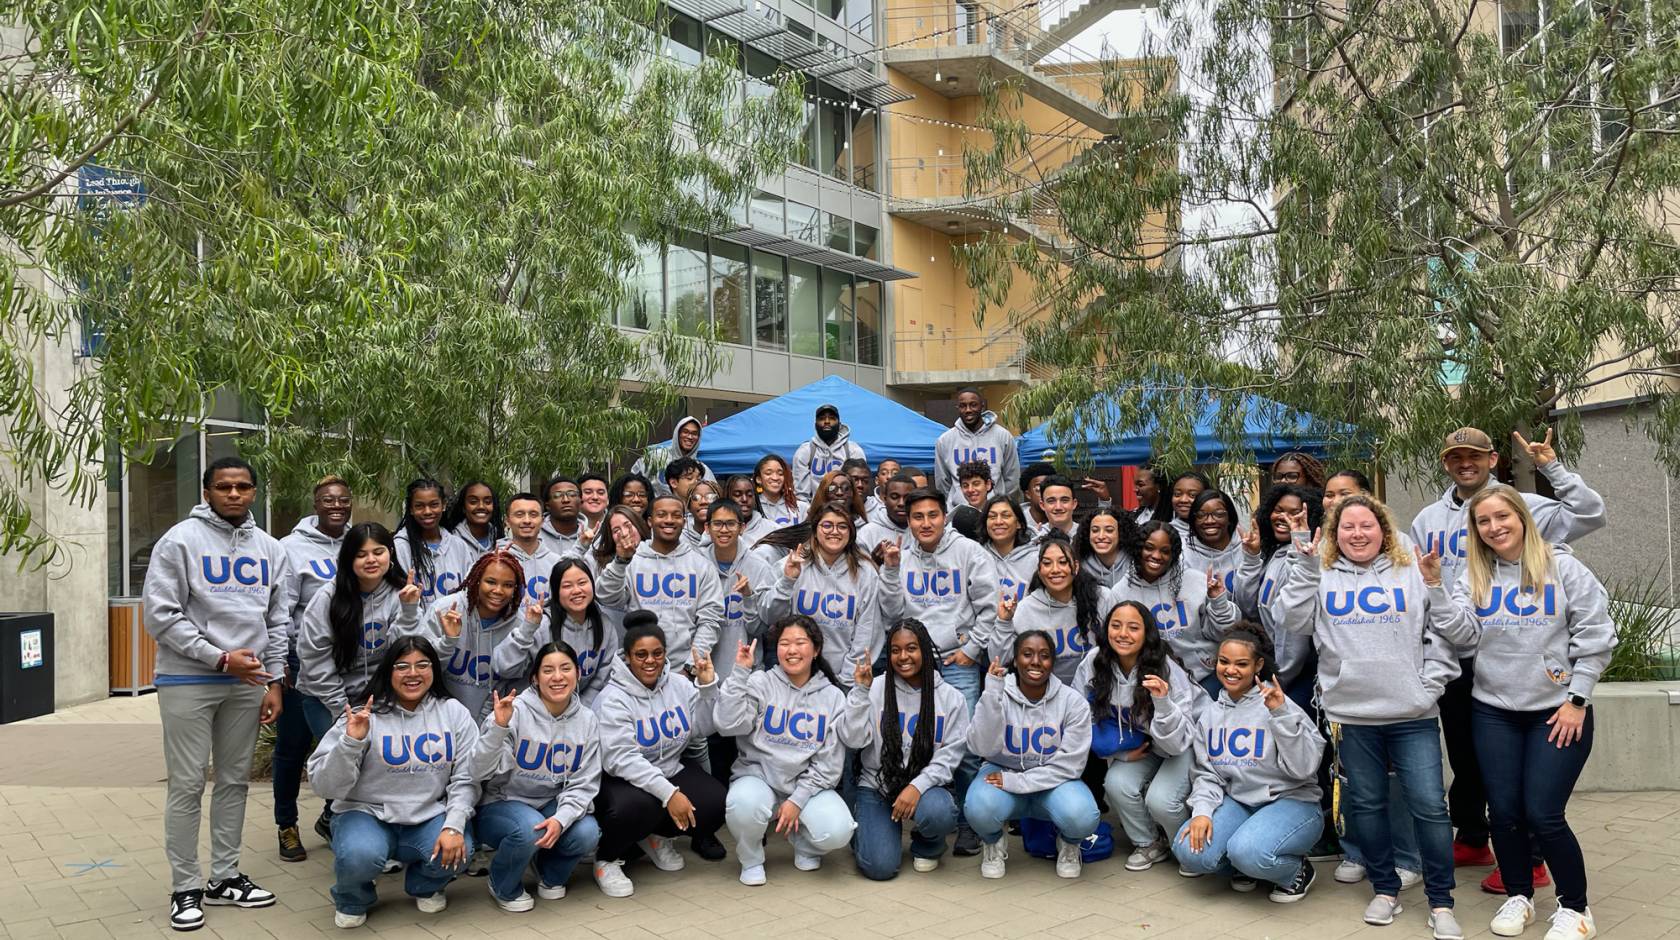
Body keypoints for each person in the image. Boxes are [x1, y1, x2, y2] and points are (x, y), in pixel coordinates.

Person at [1409, 427, 1606, 891]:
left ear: (1492, 459)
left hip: (1530, 656)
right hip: (1464, 653)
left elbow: (1590, 514)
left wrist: (1550, 468)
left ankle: (1532, 860)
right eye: (1456, 457)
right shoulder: (1427, 518)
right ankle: (1477, 838)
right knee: (1470, 759)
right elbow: (1425, 588)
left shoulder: (1527, 506)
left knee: (1529, 787)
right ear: (1446, 463)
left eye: (1474, 456)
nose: (1466, 464)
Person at [1272, 493, 1466, 938]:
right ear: (1335, 535)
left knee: (1430, 807)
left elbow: (1440, 634)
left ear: (1384, 530)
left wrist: (1429, 685)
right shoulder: (1319, 572)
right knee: (1368, 806)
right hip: (1354, 715)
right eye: (1347, 527)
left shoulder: (1411, 570)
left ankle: (1441, 901)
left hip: (1412, 713)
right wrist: (1305, 566)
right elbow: (1292, 619)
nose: (1358, 534)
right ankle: (1385, 888)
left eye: (1367, 526)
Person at [1446, 486, 1616, 940]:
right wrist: (1433, 592)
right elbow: (1462, 637)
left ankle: (1576, 909)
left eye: (1502, 517)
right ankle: (1518, 897)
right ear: (1475, 529)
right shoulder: (1474, 575)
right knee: (1503, 811)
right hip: (1494, 711)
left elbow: (1595, 637)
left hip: (1558, 710)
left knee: (1543, 813)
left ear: (1521, 517)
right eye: (1484, 521)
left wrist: (1577, 699)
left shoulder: (1563, 568)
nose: (1494, 527)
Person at [142, 455, 288, 931]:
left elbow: (279, 619)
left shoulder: (269, 548)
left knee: (234, 782)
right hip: (189, 679)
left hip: (248, 683)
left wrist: (273, 679)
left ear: (253, 493)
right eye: (223, 486)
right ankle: (185, 886)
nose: (233, 494)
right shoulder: (179, 541)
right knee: (186, 785)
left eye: (243, 487)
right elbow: (160, 615)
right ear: (207, 492)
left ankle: (224, 877)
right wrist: (219, 658)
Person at [307, 636, 478, 928]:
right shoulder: (364, 714)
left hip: (427, 815)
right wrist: (351, 742)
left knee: (461, 850)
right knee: (360, 855)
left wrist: (453, 825)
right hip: (365, 814)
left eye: (422, 665)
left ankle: (424, 885)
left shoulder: (453, 712)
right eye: (403, 666)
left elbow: (467, 778)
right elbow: (323, 786)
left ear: (434, 670)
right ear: (388, 671)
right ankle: (353, 897)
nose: (413, 673)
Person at [878, 487, 1000, 855]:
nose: (926, 523)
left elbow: (989, 607)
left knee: (964, 749)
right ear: (909, 520)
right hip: (911, 663)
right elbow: (891, 610)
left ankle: (969, 825)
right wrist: (891, 569)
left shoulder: (969, 552)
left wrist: (972, 648)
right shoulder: (900, 554)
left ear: (944, 516)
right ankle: (920, 813)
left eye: (933, 515)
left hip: (955, 662)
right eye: (918, 517)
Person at [1171, 624, 1326, 903]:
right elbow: (1208, 774)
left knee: (1250, 852)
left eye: (1241, 664)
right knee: (1189, 851)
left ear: (1258, 665)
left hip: (1292, 801)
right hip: (1241, 801)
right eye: (1224, 662)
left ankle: (1293, 872)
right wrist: (1203, 811)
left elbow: (1304, 769)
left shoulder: (1280, 704)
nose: (1231, 670)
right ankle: (1244, 865)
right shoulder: (1210, 714)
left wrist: (1280, 715)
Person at [293, 522, 426, 838]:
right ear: (348, 559)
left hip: (377, 695)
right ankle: (342, 823)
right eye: (361, 554)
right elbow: (314, 659)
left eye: (379, 552)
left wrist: (408, 611)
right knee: (341, 760)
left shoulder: (400, 594)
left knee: (373, 765)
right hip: (325, 695)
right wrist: (342, 708)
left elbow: (404, 654)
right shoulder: (328, 598)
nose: (371, 560)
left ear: (390, 556)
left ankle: (352, 822)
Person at [590, 613, 727, 897]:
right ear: (627, 657)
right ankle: (606, 858)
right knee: (639, 807)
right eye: (640, 654)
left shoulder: (678, 685)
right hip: (620, 780)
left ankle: (654, 836)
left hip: (668, 768)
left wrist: (707, 687)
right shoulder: (613, 699)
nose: (650, 661)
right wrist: (669, 794)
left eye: (657, 653)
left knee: (715, 804)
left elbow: (701, 727)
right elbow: (621, 760)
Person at [716, 616, 855, 885]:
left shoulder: (833, 696)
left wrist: (797, 800)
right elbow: (727, 724)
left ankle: (804, 843)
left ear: (815, 650)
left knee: (838, 830)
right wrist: (740, 673)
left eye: (800, 643)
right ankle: (752, 858)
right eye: (784, 643)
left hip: (806, 785)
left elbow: (829, 764)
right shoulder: (760, 682)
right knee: (742, 804)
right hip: (759, 778)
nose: (792, 650)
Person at [466, 643, 602, 911]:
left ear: (577, 672)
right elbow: (479, 771)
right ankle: (502, 884)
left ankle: (547, 873)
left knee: (587, 832)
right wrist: (498, 729)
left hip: (549, 803)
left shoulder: (587, 719)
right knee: (528, 829)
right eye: (548, 670)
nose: (558, 677)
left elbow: (585, 783)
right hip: (501, 803)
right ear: (535, 678)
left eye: (565, 668)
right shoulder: (512, 711)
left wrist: (561, 820)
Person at [964, 631, 1100, 880]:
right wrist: (992, 696)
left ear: (1052, 662)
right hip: (1002, 774)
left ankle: (1069, 844)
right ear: (1015, 660)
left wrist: (1017, 781)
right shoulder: (998, 692)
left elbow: (1070, 766)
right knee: (978, 807)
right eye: (1027, 654)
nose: (1035, 661)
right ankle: (993, 843)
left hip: (1053, 781)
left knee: (1083, 816)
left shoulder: (1073, 702)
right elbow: (980, 748)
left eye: (1044, 655)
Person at [843, 618, 971, 880]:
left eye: (911, 648)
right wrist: (859, 692)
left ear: (924, 649)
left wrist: (917, 786)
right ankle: (865, 830)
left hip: (925, 789)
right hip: (877, 785)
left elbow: (948, 758)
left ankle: (928, 844)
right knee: (880, 868)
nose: (903, 656)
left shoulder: (951, 698)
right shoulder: (875, 688)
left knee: (939, 813)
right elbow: (853, 741)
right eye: (895, 650)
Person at [1076, 600, 1198, 871]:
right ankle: (1149, 843)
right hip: (1147, 744)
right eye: (1116, 626)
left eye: (1133, 627)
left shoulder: (1165, 668)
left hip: (1183, 742)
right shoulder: (1095, 662)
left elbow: (1178, 742)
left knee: (1161, 800)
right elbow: (1078, 717)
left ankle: (1187, 848)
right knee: (1117, 783)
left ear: (1147, 634)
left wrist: (1164, 702)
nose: (1123, 634)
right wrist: (1118, 753)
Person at [274, 476, 353, 861]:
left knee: (344, 746)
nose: (336, 505)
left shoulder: (360, 544)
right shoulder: (291, 549)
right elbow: (283, 608)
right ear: (315, 503)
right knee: (292, 747)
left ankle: (329, 816)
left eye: (343, 499)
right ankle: (286, 824)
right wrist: (285, 659)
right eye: (327, 500)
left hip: (352, 666)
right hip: (301, 662)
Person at [1101, 521, 1237, 696]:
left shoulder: (1195, 581)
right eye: (1149, 548)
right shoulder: (1120, 593)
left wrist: (1218, 601)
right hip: (1152, 683)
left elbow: (1223, 633)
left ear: (1174, 554)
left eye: (1165, 551)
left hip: (1203, 675)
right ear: (1138, 549)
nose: (1156, 556)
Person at [596, 494, 724, 673]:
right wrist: (620, 562)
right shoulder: (631, 560)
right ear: (650, 521)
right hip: (638, 669)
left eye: (676, 515)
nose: (669, 520)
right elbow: (607, 597)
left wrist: (690, 667)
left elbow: (710, 621)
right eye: (662, 514)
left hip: (683, 671)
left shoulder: (701, 565)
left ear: (684, 521)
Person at [761, 501, 881, 684]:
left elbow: (867, 632)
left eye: (842, 526)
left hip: (843, 681)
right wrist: (787, 581)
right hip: (792, 678)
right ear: (815, 530)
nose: (834, 531)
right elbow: (768, 617)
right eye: (827, 525)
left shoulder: (866, 573)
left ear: (851, 532)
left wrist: (846, 681)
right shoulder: (791, 563)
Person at [1232, 485, 1322, 708]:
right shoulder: (1274, 552)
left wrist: (1279, 678)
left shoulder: (1308, 558)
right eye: (1278, 510)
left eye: (1294, 513)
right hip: (1274, 667)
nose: (1284, 518)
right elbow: (1248, 607)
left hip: (1296, 674)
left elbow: (1292, 629)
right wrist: (1252, 557)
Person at [493, 557, 622, 707]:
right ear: (556, 591)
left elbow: (600, 681)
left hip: (578, 716)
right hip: (532, 713)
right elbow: (504, 667)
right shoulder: (541, 625)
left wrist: (577, 714)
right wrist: (527, 628)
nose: (577, 591)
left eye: (582, 583)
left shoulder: (605, 626)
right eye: (567, 586)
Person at [429, 549, 532, 721]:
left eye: (507, 585)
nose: (498, 591)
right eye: (491, 582)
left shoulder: (521, 626)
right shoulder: (445, 610)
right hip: (439, 718)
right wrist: (448, 640)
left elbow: (518, 683)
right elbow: (424, 666)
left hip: (491, 720)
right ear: (477, 581)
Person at [994, 535, 1102, 684]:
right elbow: (1000, 661)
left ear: (1076, 567)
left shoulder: (1101, 599)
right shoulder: (1026, 609)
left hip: (1094, 692)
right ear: (1039, 570)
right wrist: (1004, 622)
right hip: (1045, 695)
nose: (1055, 570)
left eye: (1063, 562)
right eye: (1047, 563)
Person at [394, 479, 473, 609]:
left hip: (455, 626)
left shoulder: (459, 546)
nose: (427, 511)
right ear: (411, 509)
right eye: (419, 506)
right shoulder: (400, 547)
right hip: (417, 628)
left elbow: (469, 591)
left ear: (444, 505)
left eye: (434, 504)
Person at [935, 388, 1021, 508]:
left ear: (982, 406)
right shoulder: (944, 441)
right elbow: (942, 483)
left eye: (973, 405)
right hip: (960, 513)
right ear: (958, 408)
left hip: (995, 512)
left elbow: (1012, 478)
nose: (968, 410)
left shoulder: (1003, 436)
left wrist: (1004, 506)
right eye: (963, 406)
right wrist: (954, 505)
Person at [501, 492, 565, 608]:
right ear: (507, 521)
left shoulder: (557, 563)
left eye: (533, 515)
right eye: (519, 515)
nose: (527, 520)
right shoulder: (494, 562)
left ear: (542, 520)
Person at [793, 403, 866, 499]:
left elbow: (859, 489)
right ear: (815, 425)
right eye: (822, 418)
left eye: (832, 418)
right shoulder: (805, 451)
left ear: (839, 424)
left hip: (846, 510)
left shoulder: (853, 450)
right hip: (815, 511)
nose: (827, 421)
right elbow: (801, 495)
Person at [632, 415, 715, 496]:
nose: (690, 437)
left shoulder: (702, 469)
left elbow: (713, 494)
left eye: (694, 433)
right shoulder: (655, 457)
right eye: (685, 432)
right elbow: (633, 483)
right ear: (677, 433)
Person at [1185, 489, 1244, 595]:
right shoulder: (1184, 557)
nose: (1209, 521)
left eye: (1219, 514)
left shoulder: (1246, 549)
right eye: (1201, 515)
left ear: (1230, 518)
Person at [980, 494, 1036, 603]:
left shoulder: (1034, 559)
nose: (998, 522)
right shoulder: (977, 557)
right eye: (992, 516)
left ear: (1019, 523)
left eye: (1005, 516)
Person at [1075, 506, 1140, 587]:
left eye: (1109, 530)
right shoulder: (1079, 566)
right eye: (1095, 530)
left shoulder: (1136, 563)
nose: (1101, 536)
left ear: (1121, 533)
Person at [443, 480, 502, 558]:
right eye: (473, 502)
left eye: (487, 502)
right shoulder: (451, 543)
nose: (481, 506)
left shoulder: (501, 539)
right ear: (463, 507)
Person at [723, 474, 777, 548]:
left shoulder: (772, 530)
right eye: (737, 495)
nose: (744, 499)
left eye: (750, 494)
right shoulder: (715, 528)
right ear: (727, 498)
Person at [539, 476, 587, 559]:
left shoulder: (592, 537)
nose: (566, 500)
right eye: (557, 495)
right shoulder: (536, 536)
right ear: (547, 505)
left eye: (572, 494)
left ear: (581, 502)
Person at [755, 454, 806, 527]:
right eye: (768, 473)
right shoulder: (753, 508)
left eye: (780, 473)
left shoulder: (801, 508)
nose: (775, 478)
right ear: (758, 479)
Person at [1167, 471, 1210, 541]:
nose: (1183, 500)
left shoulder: (1221, 531)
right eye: (1177, 494)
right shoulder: (1164, 533)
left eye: (1192, 495)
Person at [1035, 475, 1080, 540]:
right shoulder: (1035, 537)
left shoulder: (1087, 535)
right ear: (1042, 505)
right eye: (1051, 501)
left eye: (1064, 500)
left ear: (1074, 504)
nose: (1058, 507)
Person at [866, 457, 902, 522]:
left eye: (895, 473)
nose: (889, 477)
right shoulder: (867, 505)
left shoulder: (906, 506)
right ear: (877, 480)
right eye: (884, 473)